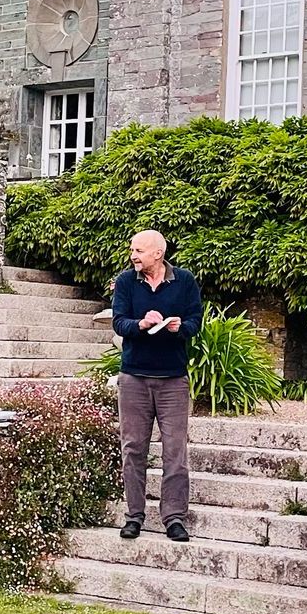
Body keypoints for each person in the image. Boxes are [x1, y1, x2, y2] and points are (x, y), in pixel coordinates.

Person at [110, 230, 202, 543]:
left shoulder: (184, 281)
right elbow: (119, 322)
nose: (133, 255)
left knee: (175, 452)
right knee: (133, 448)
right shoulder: (126, 282)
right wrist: (142, 324)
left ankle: (174, 518)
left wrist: (178, 327)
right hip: (134, 377)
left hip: (173, 380)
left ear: (157, 253)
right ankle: (134, 516)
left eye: (138, 250)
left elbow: (195, 323)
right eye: (132, 249)